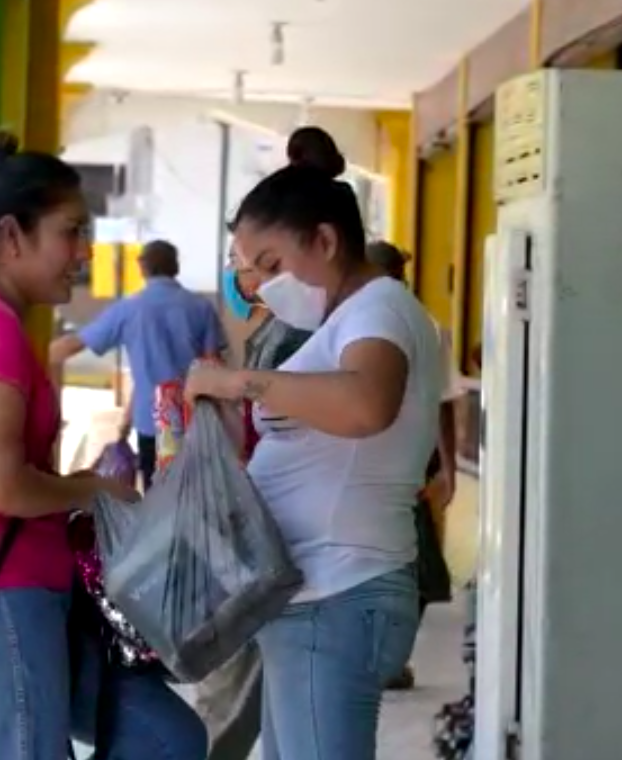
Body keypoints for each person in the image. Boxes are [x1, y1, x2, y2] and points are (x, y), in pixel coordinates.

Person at [0, 130, 206, 760]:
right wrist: (95, 488)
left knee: (169, 738)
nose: (84, 252)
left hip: (20, 581)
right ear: (11, 236)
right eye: (70, 231)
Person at [184, 137, 443, 760]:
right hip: (319, 592)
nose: (265, 287)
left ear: (325, 241)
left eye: (272, 265)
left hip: (339, 591)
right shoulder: (349, 316)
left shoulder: (378, 309)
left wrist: (238, 383)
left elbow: (366, 405)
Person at [192, 125, 343, 760]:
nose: (249, 278)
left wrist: (228, 387)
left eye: (264, 265)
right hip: (269, 529)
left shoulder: (311, 327)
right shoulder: (288, 323)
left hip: (282, 538)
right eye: (242, 266)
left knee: (239, 695)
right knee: (256, 700)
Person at [50, 239, 226, 490]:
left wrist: (29, 355)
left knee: (157, 498)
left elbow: (76, 343)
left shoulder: (129, 309)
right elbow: (214, 365)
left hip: (152, 424)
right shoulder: (201, 307)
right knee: (195, 498)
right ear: (175, 267)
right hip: (196, 423)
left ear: (142, 268)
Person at [364, 240, 460, 690]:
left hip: (381, 461)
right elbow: (444, 405)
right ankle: (388, 657)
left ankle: (386, 658)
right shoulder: (428, 325)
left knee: (402, 563)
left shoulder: (414, 325)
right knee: (406, 563)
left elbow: (444, 402)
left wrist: (448, 467)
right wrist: (449, 466)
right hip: (408, 461)